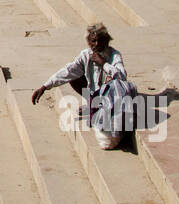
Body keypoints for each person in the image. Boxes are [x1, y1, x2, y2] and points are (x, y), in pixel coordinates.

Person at [30, 23, 136, 151]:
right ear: (89, 42)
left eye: (100, 41)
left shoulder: (114, 55)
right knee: (74, 76)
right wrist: (45, 86)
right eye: (93, 41)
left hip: (111, 98)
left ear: (107, 41)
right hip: (96, 96)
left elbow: (122, 77)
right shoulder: (86, 55)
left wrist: (104, 64)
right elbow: (68, 71)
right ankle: (92, 104)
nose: (96, 44)